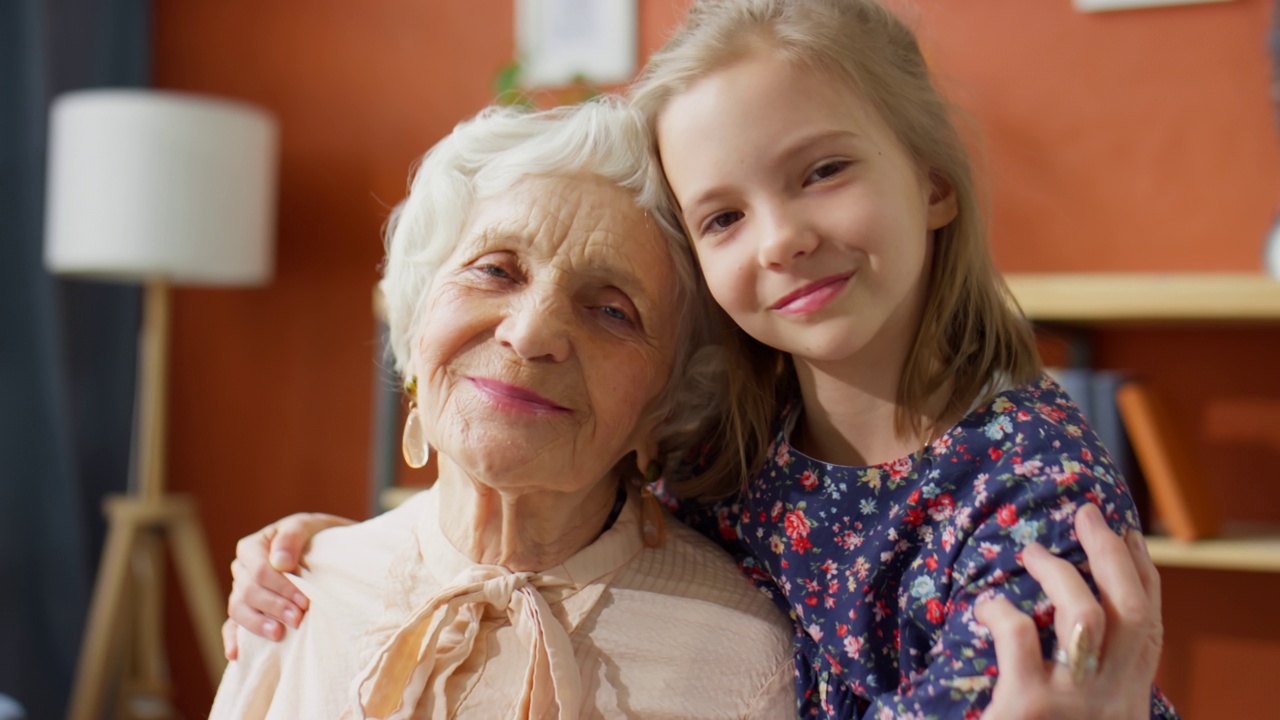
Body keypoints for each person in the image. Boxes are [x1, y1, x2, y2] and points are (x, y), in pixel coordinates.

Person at [225, 1, 1177, 717]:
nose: (781, 240)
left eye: (823, 171)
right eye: (723, 216)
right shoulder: (726, 450)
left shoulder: (1027, 480)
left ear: (933, 182)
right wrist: (330, 551)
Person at [210, 97, 800, 718]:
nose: (531, 333)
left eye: (610, 310)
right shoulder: (292, 595)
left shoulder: (739, 659)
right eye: (495, 271)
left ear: (666, 403)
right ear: (417, 323)